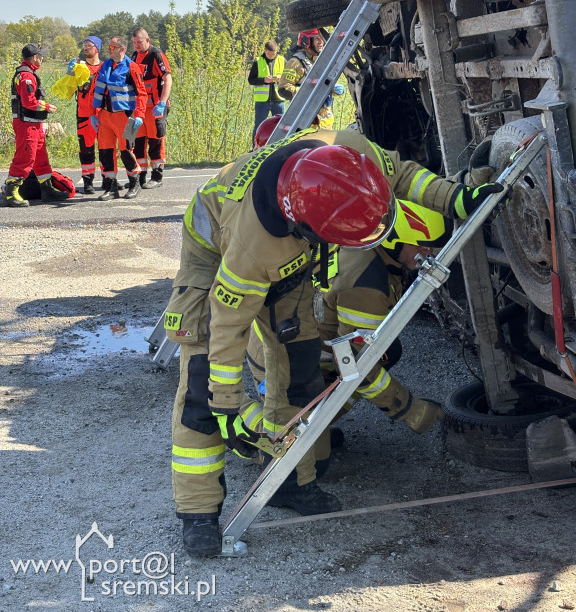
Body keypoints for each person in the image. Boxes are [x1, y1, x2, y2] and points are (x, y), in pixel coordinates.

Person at [163, 125, 503, 557]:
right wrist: (226, 403)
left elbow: (402, 175)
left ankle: (289, 483)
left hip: (290, 267)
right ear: (306, 229)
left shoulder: (346, 152)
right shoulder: (255, 248)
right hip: (213, 250)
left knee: (299, 373)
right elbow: (228, 331)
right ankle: (198, 514)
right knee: (199, 391)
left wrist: (454, 197)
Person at [315, 201, 452, 432]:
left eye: (431, 247)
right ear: (394, 240)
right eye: (422, 245)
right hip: (293, 369)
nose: (429, 253)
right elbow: (352, 365)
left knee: (388, 350)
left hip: (306, 348)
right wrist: (409, 409)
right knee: (314, 464)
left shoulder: (371, 250)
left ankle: (320, 422)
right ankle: (311, 426)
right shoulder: (367, 284)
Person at [5, 43, 69, 207]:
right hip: (26, 124)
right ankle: (11, 193)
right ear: (34, 58)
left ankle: (47, 190)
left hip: (35, 124)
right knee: (25, 158)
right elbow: (28, 102)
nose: (42, 58)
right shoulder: (26, 76)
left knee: (41, 158)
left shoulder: (29, 74)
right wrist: (47, 107)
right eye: (40, 56)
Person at [90, 36, 147, 201]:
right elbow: (96, 90)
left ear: (122, 49)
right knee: (106, 152)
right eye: (109, 46)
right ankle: (111, 187)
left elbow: (141, 93)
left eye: (112, 47)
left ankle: (134, 183)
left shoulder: (132, 67)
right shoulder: (104, 66)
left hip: (127, 117)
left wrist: (140, 115)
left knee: (127, 151)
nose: (109, 49)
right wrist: (94, 113)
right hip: (105, 116)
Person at [131, 27, 172, 189]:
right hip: (140, 109)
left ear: (147, 40)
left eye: (139, 42)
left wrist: (162, 103)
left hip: (156, 107)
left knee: (156, 141)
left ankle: (157, 177)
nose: (137, 45)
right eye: (134, 43)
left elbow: (167, 79)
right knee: (138, 141)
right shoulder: (134, 56)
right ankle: (140, 177)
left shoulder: (156, 55)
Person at [71, 37, 102, 194]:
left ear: (97, 49)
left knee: (106, 149)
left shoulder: (104, 67)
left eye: (89, 46)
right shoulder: (79, 68)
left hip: (103, 116)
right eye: (84, 46)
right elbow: (67, 88)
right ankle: (88, 181)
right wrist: (69, 73)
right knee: (86, 150)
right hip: (84, 115)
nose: (85, 49)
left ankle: (108, 180)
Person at [247, 40, 285, 146]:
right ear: (265, 51)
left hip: (279, 99)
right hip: (262, 101)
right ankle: (255, 149)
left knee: (281, 127)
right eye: (269, 54)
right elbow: (251, 80)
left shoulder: (282, 60)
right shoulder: (258, 61)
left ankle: (280, 148)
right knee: (259, 126)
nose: (271, 56)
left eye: (274, 54)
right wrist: (263, 80)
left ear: (277, 51)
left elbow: (289, 78)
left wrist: (280, 79)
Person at [278, 29, 328, 104]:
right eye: (317, 38)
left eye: (322, 38)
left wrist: (332, 89)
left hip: (324, 112)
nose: (321, 42)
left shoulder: (322, 61)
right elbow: (284, 89)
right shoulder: (295, 62)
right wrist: (307, 92)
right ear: (306, 41)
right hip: (304, 111)